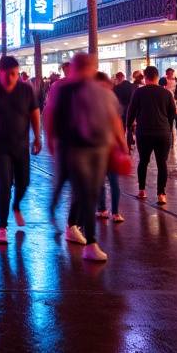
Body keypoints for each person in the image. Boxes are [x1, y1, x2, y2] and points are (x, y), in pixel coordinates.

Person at [45, 54, 120, 261]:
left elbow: (112, 119)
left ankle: (67, 220)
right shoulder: (63, 89)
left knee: (91, 192)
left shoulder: (100, 89)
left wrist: (117, 146)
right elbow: (50, 114)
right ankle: (91, 242)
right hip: (74, 148)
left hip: (98, 148)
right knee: (86, 193)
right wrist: (51, 140)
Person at [0, 55, 42, 247]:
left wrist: (37, 138)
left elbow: (34, 113)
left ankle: (16, 205)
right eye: (8, 75)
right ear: (0, 72)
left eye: (15, 74)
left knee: (23, 182)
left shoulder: (25, 89)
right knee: (4, 185)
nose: (11, 78)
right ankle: (2, 226)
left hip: (21, 143)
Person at [127, 66, 177, 206]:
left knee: (143, 161)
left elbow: (131, 111)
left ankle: (142, 190)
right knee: (162, 163)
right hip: (162, 132)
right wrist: (166, 124)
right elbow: (172, 112)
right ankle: (161, 194)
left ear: (145, 76)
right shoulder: (166, 93)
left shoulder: (139, 92)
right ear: (157, 76)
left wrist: (129, 127)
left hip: (144, 131)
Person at [93, 71, 129, 224]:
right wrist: (123, 145)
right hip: (110, 145)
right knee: (113, 181)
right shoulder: (111, 97)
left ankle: (103, 210)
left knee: (101, 181)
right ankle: (115, 212)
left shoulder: (91, 98)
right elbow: (117, 122)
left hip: (98, 147)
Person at [161, 67, 177, 143]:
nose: (170, 75)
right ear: (166, 74)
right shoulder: (163, 81)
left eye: (171, 73)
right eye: (169, 73)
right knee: (170, 123)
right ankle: (171, 139)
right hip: (167, 105)